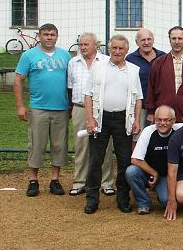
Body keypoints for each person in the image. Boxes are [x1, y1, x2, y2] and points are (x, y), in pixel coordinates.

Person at [83, 35, 142, 214]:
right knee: (95, 160)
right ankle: (92, 199)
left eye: (121, 49)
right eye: (114, 48)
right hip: (101, 119)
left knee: (124, 161)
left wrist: (136, 120)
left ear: (127, 50)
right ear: (109, 49)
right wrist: (90, 119)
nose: (117, 51)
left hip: (123, 120)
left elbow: (138, 98)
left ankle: (123, 198)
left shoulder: (133, 70)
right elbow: (88, 95)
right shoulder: (98, 67)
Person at [13, 23, 70, 197]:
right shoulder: (29, 55)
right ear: (39, 36)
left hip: (61, 108)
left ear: (57, 36)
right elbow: (18, 80)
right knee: (36, 144)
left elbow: (73, 81)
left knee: (59, 145)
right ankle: (33, 180)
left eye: (52, 34)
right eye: (46, 34)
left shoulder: (65, 55)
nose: (49, 37)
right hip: (38, 108)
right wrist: (20, 105)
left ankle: (55, 179)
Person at [67, 32, 115, 196]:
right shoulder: (73, 62)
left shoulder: (107, 61)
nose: (83, 47)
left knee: (105, 147)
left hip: (102, 109)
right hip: (80, 108)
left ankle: (106, 182)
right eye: (80, 44)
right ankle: (79, 182)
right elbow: (70, 87)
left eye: (86, 44)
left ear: (96, 45)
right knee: (81, 147)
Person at [146, 26, 183, 123]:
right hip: (164, 117)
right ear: (169, 39)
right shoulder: (158, 63)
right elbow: (151, 88)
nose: (177, 42)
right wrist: (151, 112)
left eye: (180, 38)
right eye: (173, 38)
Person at [125, 105, 177, 214]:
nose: (162, 123)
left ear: (174, 120)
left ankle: (160, 192)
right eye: (159, 120)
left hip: (166, 176)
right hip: (148, 172)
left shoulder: (179, 130)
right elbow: (135, 159)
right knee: (131, 171)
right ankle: (143, 202)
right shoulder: (148, 131)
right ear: (154, 120)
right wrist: (154, 172)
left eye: (166, 120)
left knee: (165, 201)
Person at [126, 28, 165, 130]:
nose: (146, 43)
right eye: (143, 40)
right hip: (139, 108)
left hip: (160, 107)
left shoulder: (163, 57)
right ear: (137, 42)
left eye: (149, 39)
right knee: (137, 137)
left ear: (153, 40)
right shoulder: (130, 59)